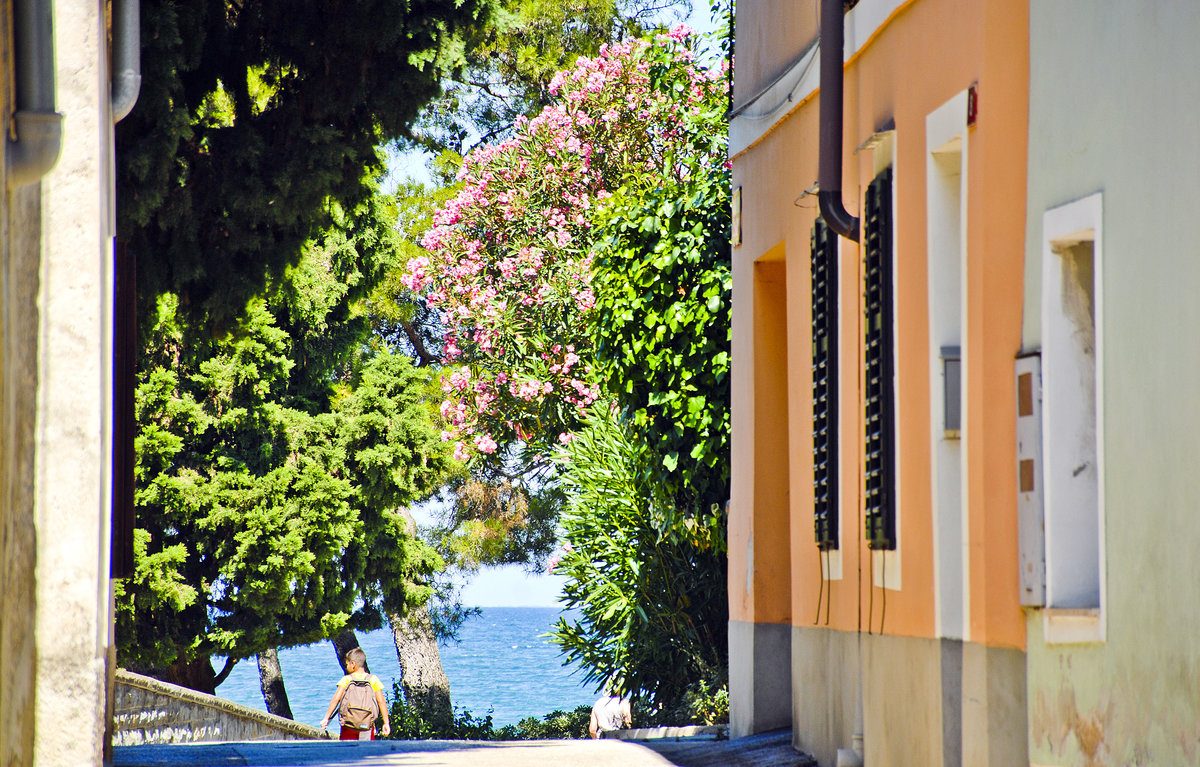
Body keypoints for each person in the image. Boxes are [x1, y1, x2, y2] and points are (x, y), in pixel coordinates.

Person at [320, 647, 392, 740]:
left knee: (348, 751)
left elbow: (336, 699)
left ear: (353, 664)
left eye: (347, 664)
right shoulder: (373, 679)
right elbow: (381, 701)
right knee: (366, 750)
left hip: (348, 725)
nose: (347, 667)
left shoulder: (347, 679)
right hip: (366, 725)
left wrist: (326, 718)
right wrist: (386, 723)